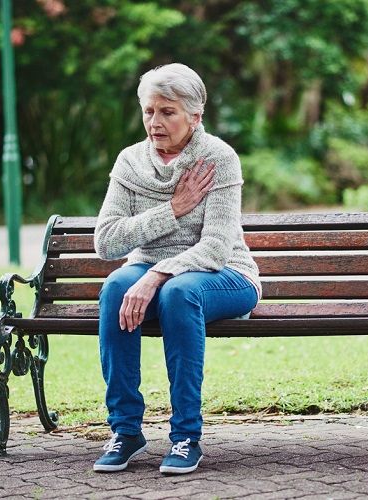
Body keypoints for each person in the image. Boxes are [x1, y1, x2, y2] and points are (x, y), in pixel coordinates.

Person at [92, 63, 261, 475]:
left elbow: (216, 248)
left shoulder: (218, 158)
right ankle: (125, 430)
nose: (155, 122)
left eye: (167, 112)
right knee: (115, 288)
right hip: (152, 271)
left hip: (225, 274)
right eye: (149, 111)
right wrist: (172, 210)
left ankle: (186, 436)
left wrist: (157, 275)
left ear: (195, 116)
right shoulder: (130, 162)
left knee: (179, 292)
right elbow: (106, 241)